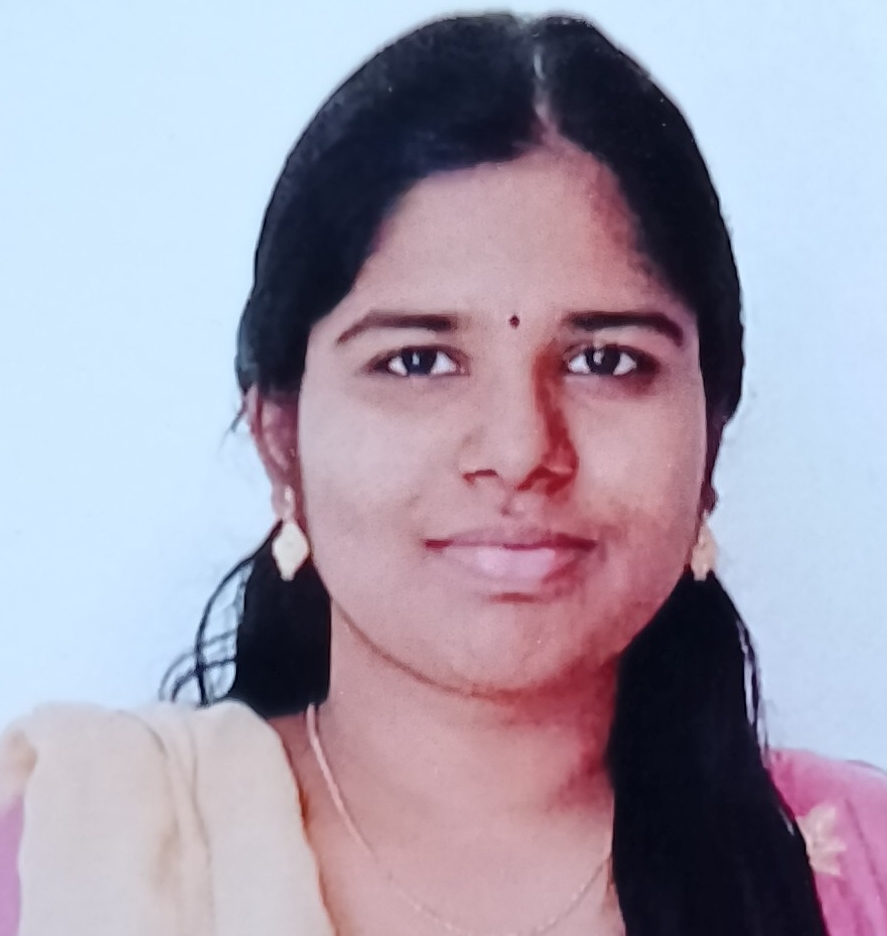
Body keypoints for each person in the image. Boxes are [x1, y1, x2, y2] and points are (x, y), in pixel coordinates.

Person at [1, 10, 885, 936]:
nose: (519, 451)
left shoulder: (850, 868)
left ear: (709, 434)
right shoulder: (64, 859)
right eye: (417, 361)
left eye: (605, 360)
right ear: (280, 437)